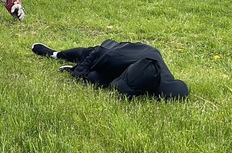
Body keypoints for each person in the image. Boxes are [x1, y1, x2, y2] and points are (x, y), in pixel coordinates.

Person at [32, 40, 189, 100]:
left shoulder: (166, 85)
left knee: (95, 79)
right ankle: (55, 54)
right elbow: (99, 51)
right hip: (111, 54)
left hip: (135, 61)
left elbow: (181, 89)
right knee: (85, 55)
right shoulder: (113, 55)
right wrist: (76, 72)